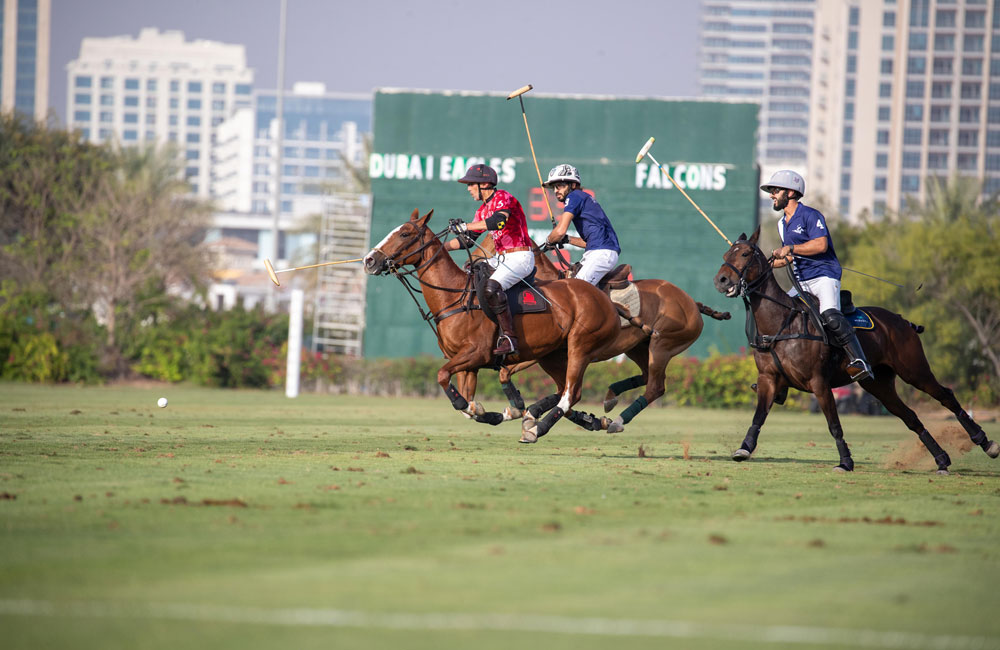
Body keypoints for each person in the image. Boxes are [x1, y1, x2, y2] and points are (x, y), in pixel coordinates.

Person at [762, 169, 873, 382]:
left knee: (830, 314)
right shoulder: (781, 223)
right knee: (782, 315)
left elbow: (820, 245)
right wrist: (766, 265)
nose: (771, 195)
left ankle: (859, 360)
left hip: (824, 276)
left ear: (791, 193)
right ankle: (780, 376)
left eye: (775, 190)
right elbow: (789, 258)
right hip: (801, 281)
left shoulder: (810, 215)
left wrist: (791, 248)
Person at [446, 163, 534, 356]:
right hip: (502, 259)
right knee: (471, 275)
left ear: (484, 184)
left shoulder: (503, 197)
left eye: (471, 184)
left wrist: (466, 225)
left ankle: (510, 338)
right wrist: (441, 248)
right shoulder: (482, 210)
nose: (468, 189)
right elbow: (467, 241)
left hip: (520, 256)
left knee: (491, 287)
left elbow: (498, 221)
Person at [541, 164, 621, 286]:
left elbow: (560, 231)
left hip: (601, 254)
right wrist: (567, 239)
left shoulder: (574, 196)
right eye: (554, 187)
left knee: (575, 289)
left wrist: (549, 241)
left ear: (573, 185)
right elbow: (589, 243)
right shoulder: (583, 198)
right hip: (599, 251)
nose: (556, 190)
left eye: (560, 185)